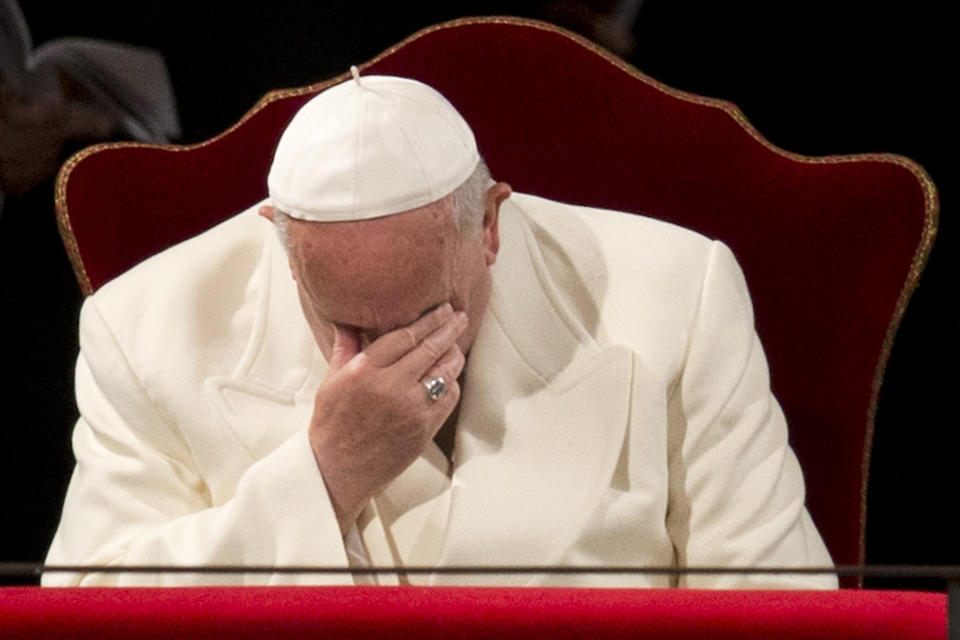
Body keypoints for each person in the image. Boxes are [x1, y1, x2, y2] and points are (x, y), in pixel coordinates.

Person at [43, 72, 836, 588]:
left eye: (424, 314)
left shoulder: (676, 292)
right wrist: (323, 476)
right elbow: (84, 609)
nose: (388, 354)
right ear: (278, 239)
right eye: (347, 320)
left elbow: (780, 601)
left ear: (489, 225)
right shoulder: (146, 326)